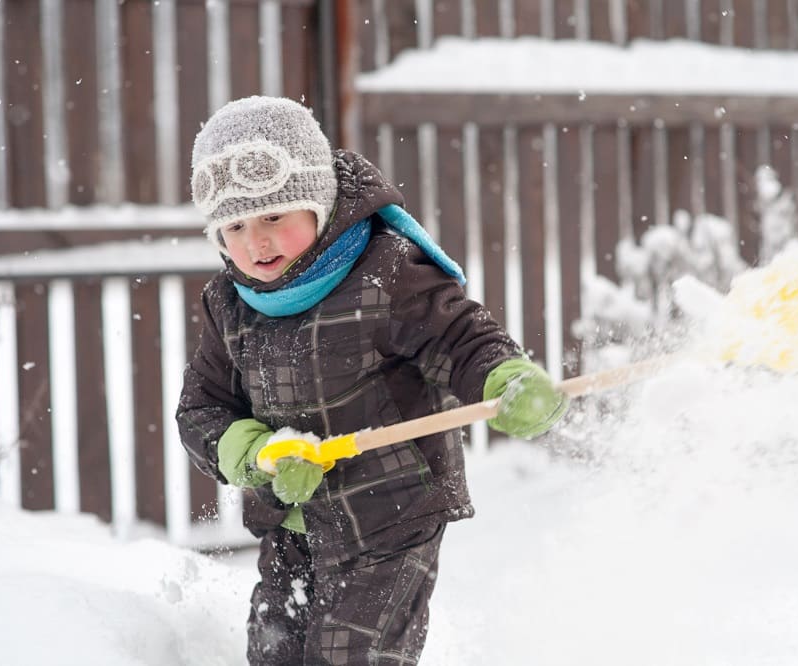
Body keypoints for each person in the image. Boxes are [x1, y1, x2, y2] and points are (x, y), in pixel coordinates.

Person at [176, 96, 569, 665]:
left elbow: (459, 339)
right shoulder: (228, 304)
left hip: (391, 518)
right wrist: (259, 452)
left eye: (273, 218)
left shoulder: (386, 273)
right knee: (276, 654)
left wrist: (503, 378)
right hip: (290, 519)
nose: (255, 242)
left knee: (350, 656)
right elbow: (202, 411)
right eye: (234, 225)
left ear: (318, 203)